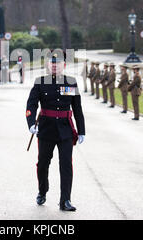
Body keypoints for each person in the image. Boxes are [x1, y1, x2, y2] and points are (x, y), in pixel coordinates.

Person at [26, 50, 85, 211]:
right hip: (46, 130)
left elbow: (77, 108)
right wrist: (31, 123)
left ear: (63, 65)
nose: (54, 66)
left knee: (66, 165)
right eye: (52, 63)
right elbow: (31, 105)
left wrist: (81, 130)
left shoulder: (71, 82)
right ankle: (42, 191)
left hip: (65, 130)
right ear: (48, 64)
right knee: (43, 164)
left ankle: (65, 200)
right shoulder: (40, 82)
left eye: (57, 63)